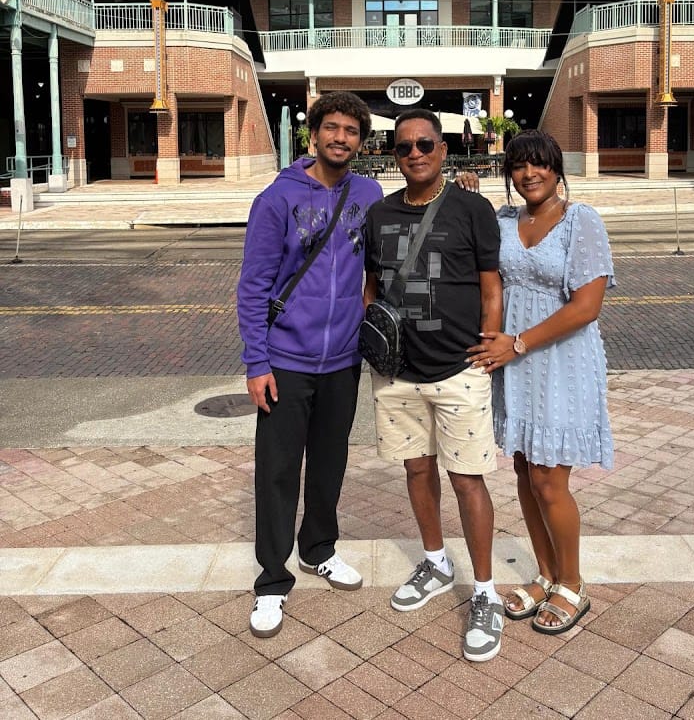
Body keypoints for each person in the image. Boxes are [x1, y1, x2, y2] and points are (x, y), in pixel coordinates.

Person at [237, 92, 383, 638]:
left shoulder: (368, 194)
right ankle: (272, 581)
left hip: (343, 360)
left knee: (329, 464)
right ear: (313, 135)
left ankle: (319, 548)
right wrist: (257, 361)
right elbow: (253, 287)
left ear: (361, 142)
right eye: (332, 128)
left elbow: (381, 266)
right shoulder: (277, 199)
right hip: (286, 360)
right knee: (277, 473)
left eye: (351, 131)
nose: (341, 138)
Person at [363, 109, 506, 662]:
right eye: (404, 148)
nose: (415, 153)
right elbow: (370, 287)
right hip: (397, 373)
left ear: (444, 150)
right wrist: (374, 344)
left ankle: (487, 593)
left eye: (425, 144)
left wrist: (492, 342)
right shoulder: (378, 214)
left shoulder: (473, 208)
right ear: (393, 156)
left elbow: (491, 285)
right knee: (416, 469)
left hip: (459, 369)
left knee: (468, 480)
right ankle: (436, 562)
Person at [467, 129, 615, 635]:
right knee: (526, 472)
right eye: (519, 166)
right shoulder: (507, 219)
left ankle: (572, 582)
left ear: (557, 169)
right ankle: (546, 572)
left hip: (560, 360)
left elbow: (587, 305)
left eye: (540, 165)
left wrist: (520, 342)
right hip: (517, 363)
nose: (530, 174)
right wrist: (465, 194)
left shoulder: (581, 220)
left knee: (551, 480)